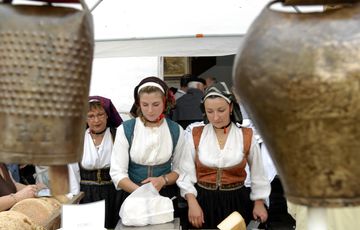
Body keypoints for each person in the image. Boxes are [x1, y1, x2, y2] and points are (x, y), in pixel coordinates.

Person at [177, 82, 271, 229]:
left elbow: (259, 174)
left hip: (237, 201)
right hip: (203, 202)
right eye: (210, 111)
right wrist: (192, 202)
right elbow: (185, 174)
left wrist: (259, 203)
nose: (216, 117)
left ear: (231, 107)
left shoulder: (245, 135)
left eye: (221, 110)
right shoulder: (196, 134)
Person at [110, 76, 188, 221]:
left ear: (165, 102)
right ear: (138, 103)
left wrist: (163, 180)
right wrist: (142, 193)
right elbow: (117, 173)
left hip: (164, 197)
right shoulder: (126, 130)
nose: (150, 110)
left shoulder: (175, 130)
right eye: (145, 105)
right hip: (131, 196)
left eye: (156, 104)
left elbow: (180, 169)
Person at [68, 96, 123, 229]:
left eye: (100, 114)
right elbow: (72, 173)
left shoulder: (118, 136)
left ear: (107, 116)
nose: (96, 120)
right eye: (91, 116)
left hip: (114, 194)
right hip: (87, 195)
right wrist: (75, 200)